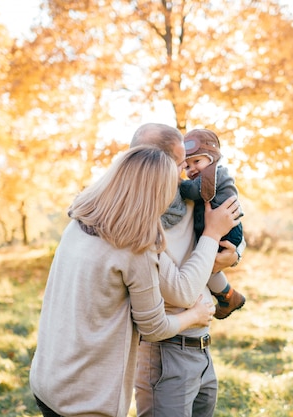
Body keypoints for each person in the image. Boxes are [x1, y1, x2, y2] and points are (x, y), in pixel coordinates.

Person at [29, 145, 240, 417]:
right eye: (175, 177)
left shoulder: (81, 222)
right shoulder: (135, 246)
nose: (181, 182)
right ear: (155, 191)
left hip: (49, 378)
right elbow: (154, 326)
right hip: (86, 399)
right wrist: (196, 315)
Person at [132, 123, 245, 417]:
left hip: (202, 346)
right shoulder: (141, 217)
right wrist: (211, 236)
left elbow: (230, 224)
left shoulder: (191, 198)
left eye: (188, 163)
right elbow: (181, 291)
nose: (186, 169)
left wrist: (233, 256)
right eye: (181, 163)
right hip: (166, 348)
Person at [180, 128, 246, 319]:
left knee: (203, 267)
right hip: (222, 228)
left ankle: (229, 296)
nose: (191, 169)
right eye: (187, 166)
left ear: (212, 158)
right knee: (203, 267)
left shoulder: (214, 174)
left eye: (197, 162)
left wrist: (176, 183)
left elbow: (193, 191)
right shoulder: (207, 174)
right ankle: (228, 296)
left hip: (227, 231)